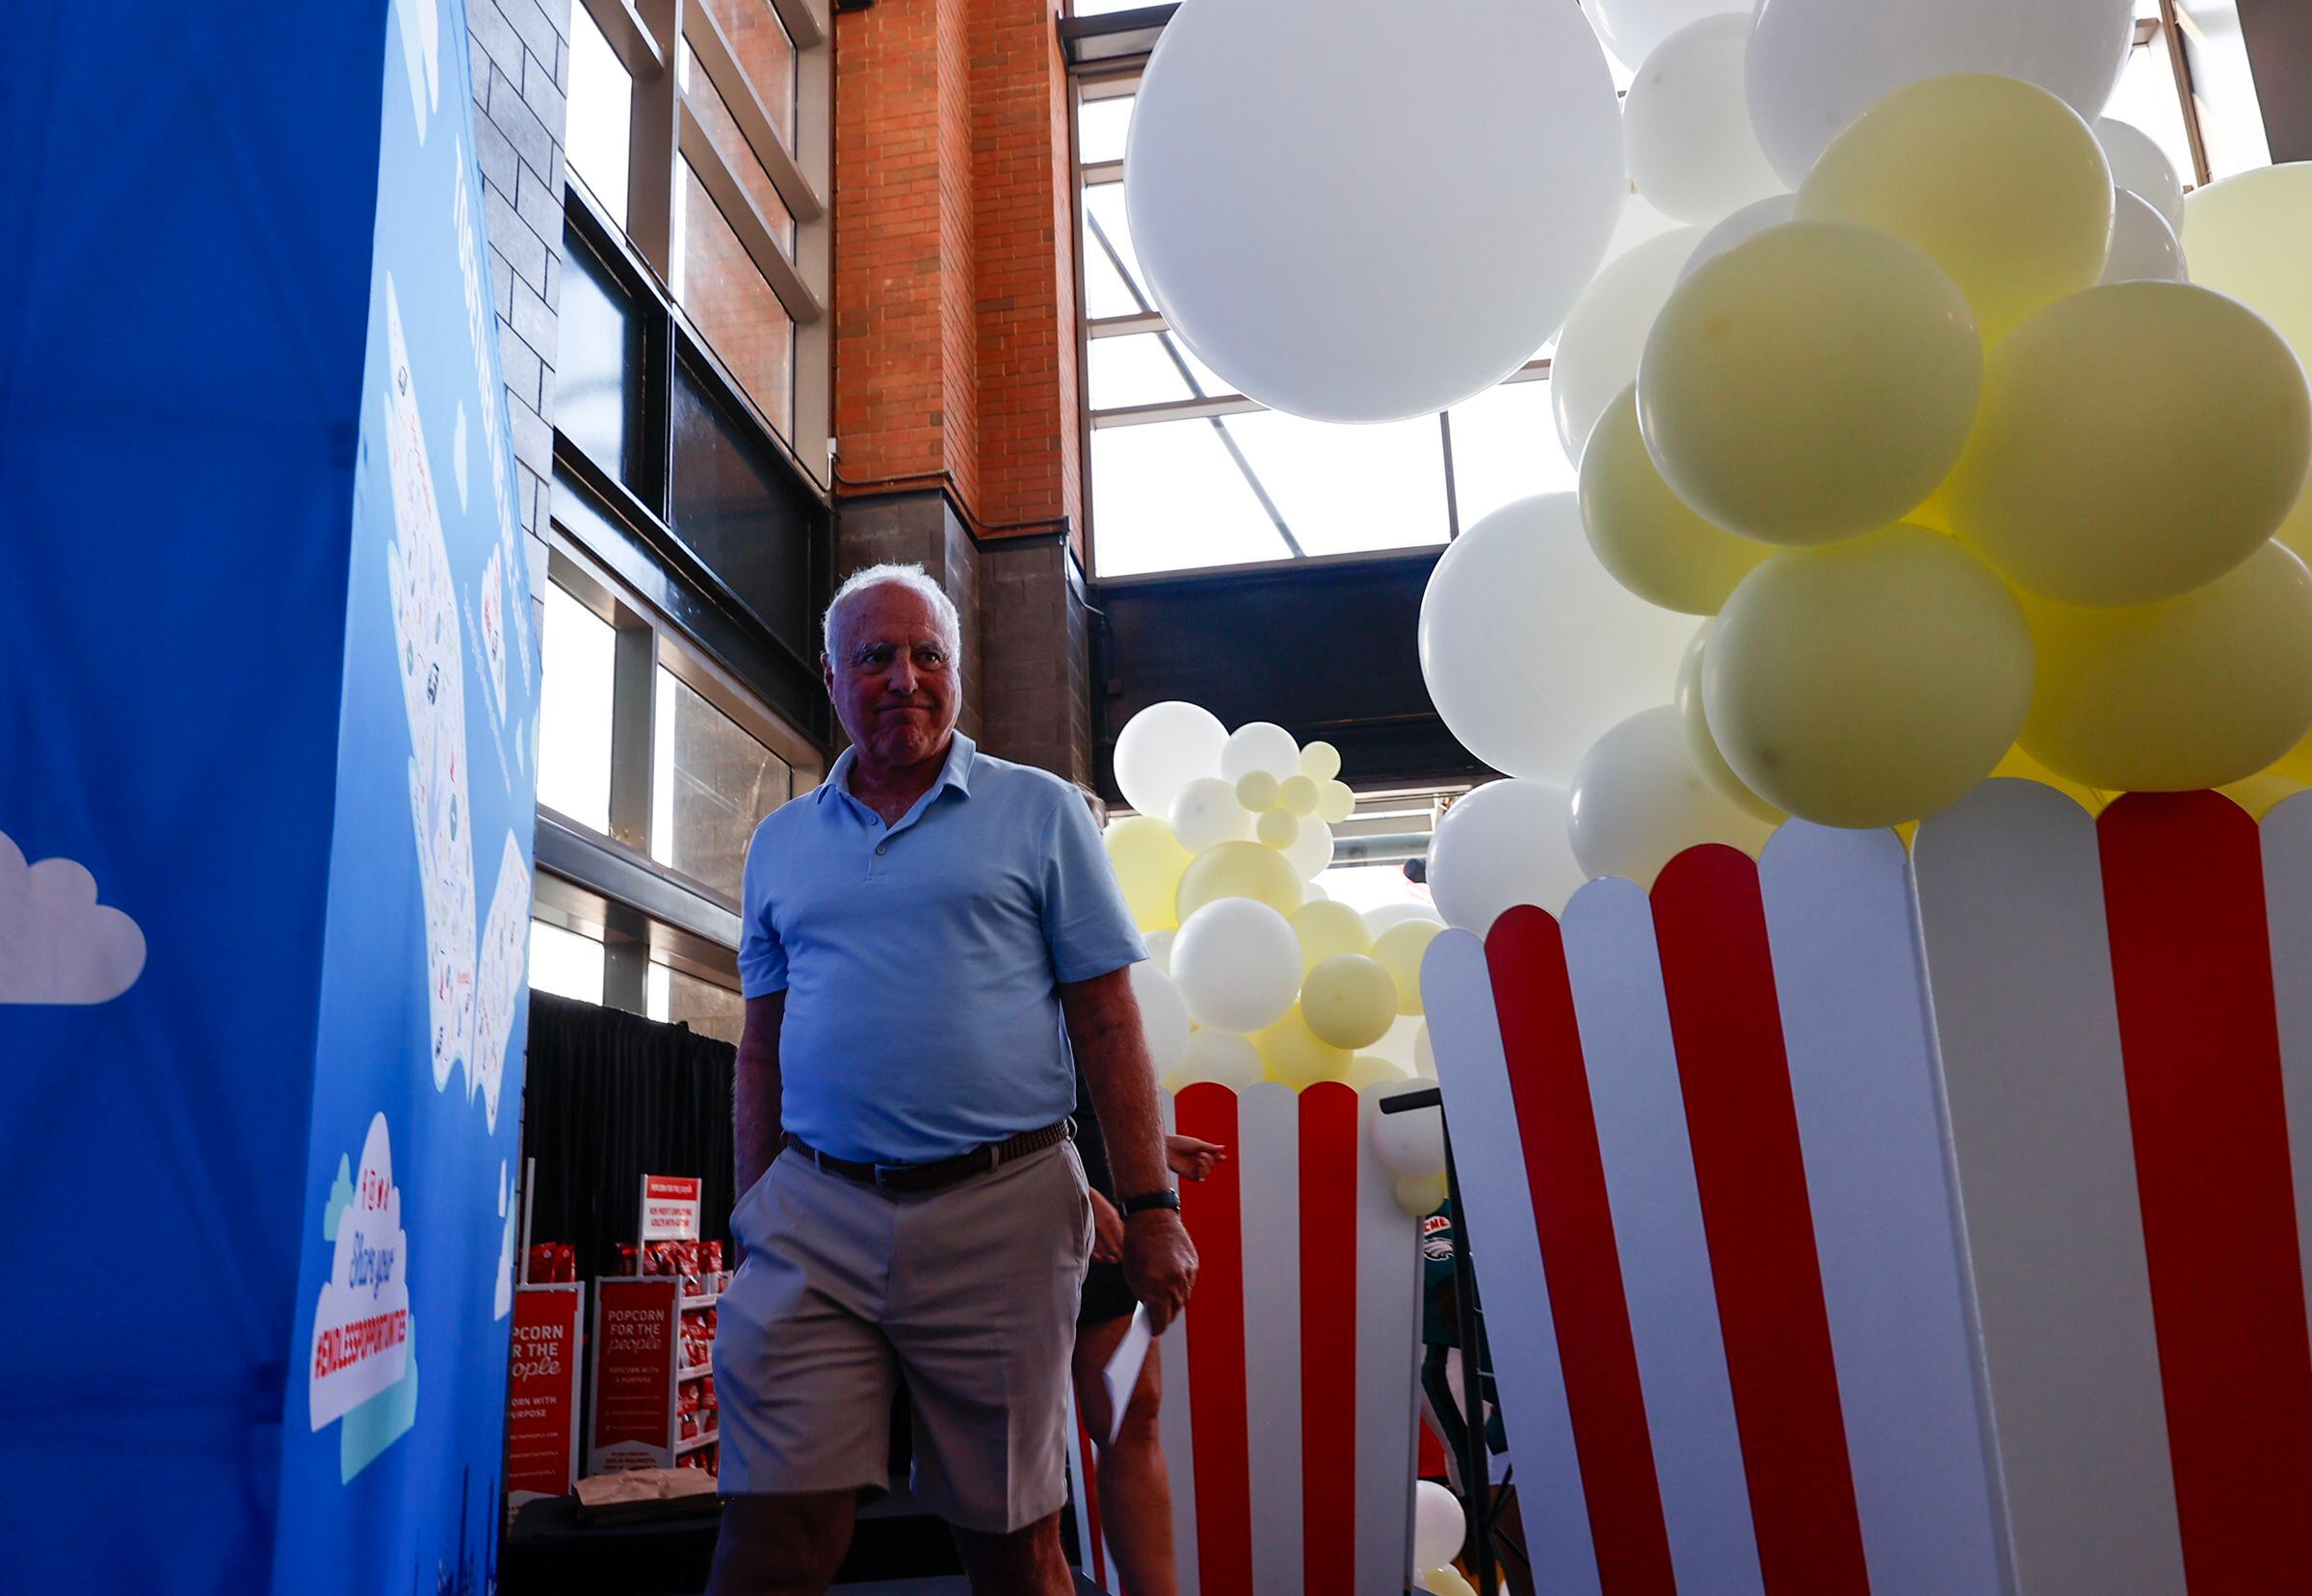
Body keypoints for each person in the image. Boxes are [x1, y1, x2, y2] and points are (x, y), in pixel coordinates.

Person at [706, 563, 1198, 1596]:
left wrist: (1150, 1205)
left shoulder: (1041, 811)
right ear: (834, 679)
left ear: (958, 673)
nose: (905, 676)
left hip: (1003, 1212)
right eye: (876, 656)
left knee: (1013, 1547)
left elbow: (1107, 1016)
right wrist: (754, 1208)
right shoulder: (781, 843)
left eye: (928, 653)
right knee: (772, 1535)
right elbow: (761, 1044)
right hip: (814, 1215)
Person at [1069, 1060, 1224, 1596]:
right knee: (1020, 1445)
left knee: (1131, 1417)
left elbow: (1081, 1090)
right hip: (1005, 1193)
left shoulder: (1087, 995)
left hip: (1099, 1182)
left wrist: (1148, 1146)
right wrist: (1066, 1188)